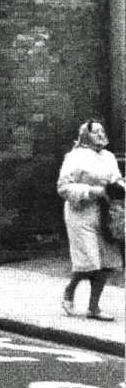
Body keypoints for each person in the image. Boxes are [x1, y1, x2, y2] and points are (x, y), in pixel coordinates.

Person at [57, 118, 125, 321]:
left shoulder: (109, 156)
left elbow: (116, 179)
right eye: (96, 132)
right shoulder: (74, 157)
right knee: (89, 262)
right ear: (85, 136)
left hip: (106, 214)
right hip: (81, 214)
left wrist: (120, 187)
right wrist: (91, 191)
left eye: (103, 131)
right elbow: (63, 187)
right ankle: (69, 291)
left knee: (106, 262)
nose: (101, 135)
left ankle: (93, 307)